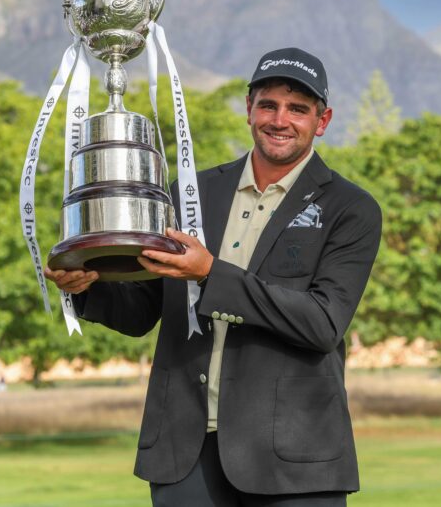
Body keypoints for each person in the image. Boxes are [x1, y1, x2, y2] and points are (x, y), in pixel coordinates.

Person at [45, 47, 382, 506]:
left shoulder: (351, 208)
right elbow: (144, 311)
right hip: (184, 452)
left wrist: (209, 273)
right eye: (268, 105)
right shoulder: (188, 193)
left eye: (298, 109)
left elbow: (322, 324)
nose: (280, 119)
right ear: (249, 110)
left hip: (294, 459)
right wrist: (87, 287)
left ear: (321, 121)